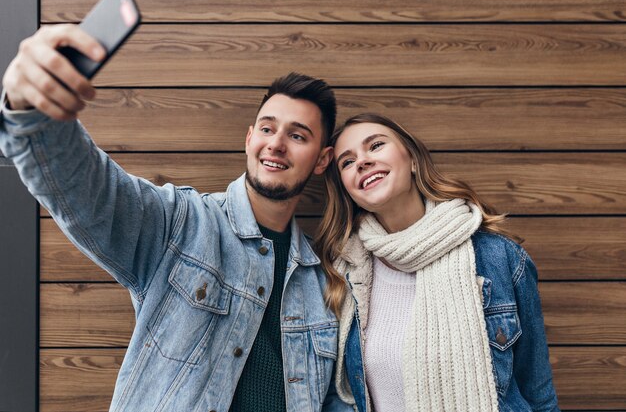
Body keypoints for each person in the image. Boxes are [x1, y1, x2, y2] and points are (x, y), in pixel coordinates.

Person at [0, 24, 351, 412]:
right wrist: (28, 107)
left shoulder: (324, 285)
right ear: (250, 138)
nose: (277, 144)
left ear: (322, 159)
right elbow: (87, 186)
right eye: (267, 128)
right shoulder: (180, 224)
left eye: (298, 136)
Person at [315, 113, 560, 412]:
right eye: (347, 162)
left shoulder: (499, 257)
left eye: (376, 145)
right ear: (347, 189)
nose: (362, 162)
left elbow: (538, 391)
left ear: (414, 161)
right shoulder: (344, 275)